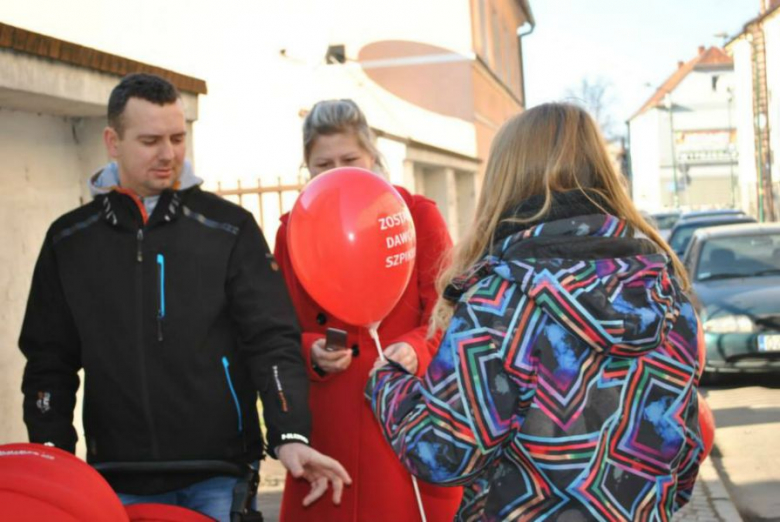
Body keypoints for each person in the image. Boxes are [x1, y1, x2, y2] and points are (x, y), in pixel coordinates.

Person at [19, 73, 350, 522]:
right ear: (112, 142)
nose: (169, 153)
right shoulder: (70, 239)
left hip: (219, 471)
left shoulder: (228, 227)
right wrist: (51, 453)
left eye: (177, 137)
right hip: (116, 475)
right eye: (151, 140)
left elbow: (271, 339)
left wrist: (290, 432)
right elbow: (48, 361)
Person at [366, 102, 707, 521]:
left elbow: (443, 453)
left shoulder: (501, 301)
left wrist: (387, 383)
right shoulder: (667, 291)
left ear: (504, 184)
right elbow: (686, 451)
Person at [275, 99, 462, 521]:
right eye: (324, 164)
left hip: (405, 418)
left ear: (373, 158)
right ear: (307, 168)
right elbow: (276, 327)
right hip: (327, 430)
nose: (337, 172)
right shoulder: (292, 229)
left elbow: (448, 312)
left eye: (349, 159)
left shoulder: (416, 215)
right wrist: (311, 351)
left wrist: (416, 347)